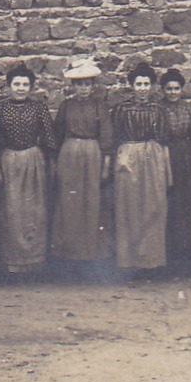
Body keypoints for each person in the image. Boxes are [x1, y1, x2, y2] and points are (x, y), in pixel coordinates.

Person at [0, 66, 55, 276]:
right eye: (16, 84)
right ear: (9, 86)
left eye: (25, 85)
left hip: (33, 161)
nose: (21, 89)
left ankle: (34, 264)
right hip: (9, 161)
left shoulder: (39, 108)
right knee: (11, 211)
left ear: (31, 87)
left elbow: (49, 138)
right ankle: (12, 264)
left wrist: (48, 163)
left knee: (34, 212)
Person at [51, 58, 114, 266]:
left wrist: (105, 166)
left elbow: (106, 138)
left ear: (92, 86)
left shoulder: (100, 107)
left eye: (87, 84)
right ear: (73, 86)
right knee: (70, 203)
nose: (83, 89)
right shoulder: (66, 106)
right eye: (79, 84)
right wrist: (56, 162)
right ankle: (70, 255)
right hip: (69, 155)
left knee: (92, 202)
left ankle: (91, 255)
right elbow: (58, 135)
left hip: (93, 154)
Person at [111, 64, 173, 272]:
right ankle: (129, 262)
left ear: (152, 86)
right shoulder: (121, 109)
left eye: (146, 84)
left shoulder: (159, 109)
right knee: (129, 207)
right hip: (128, 156)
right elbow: (115, 136)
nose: (142, 88)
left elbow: (164, 138)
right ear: (132, 86)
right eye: (138, 84)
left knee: (153, 207)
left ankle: (151, 262)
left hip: (153, 157)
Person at [159, 69, 191, 269]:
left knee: (188, 202)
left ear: (181, 89)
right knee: (171, 202)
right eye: (169, 89)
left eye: (176, 89)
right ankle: (171, 252)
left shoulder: (188, 108)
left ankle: (188, 250)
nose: (173, 93)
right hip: (168, 155)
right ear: (163, 90)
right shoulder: (159, 108)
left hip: (186, 155)